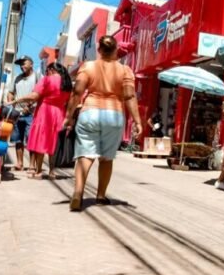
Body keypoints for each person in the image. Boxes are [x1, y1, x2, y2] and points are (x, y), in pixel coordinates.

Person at [64, 35, 142, 211]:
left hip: (89, 113)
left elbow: (77, 92)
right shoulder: (125, 70)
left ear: (99, 50)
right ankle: (100, 195)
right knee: (106, 159)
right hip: (114, 115)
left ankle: (77, 193)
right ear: (115, 51)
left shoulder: (88, 67)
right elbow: (129, 96)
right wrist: (137, 121)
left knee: (85, 154)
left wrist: (69, 115)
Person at [7, 62, 72, 179]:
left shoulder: (47, 80)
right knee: (53, 144)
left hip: (45, 113)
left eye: (47, 71)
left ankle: (38, 171)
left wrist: (18, 100)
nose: (46, 73)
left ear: (51, 70)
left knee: (41, 142)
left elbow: (34, 96)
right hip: (58, 114)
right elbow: (68, 102)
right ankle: (52, 171)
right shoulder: (66, 83)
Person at [8, 55, 41, 171]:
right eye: (20, 64)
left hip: (31, 114)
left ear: (31, 64)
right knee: (18, 139)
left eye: (24, 63)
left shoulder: (37, 77)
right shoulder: (17, 78)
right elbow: (11, 93)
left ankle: (32, 165)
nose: (22, 66)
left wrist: (30, 105)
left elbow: (40, 94)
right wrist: (11, 104)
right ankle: (19, 163)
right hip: (17, 113)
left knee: (31, 139)